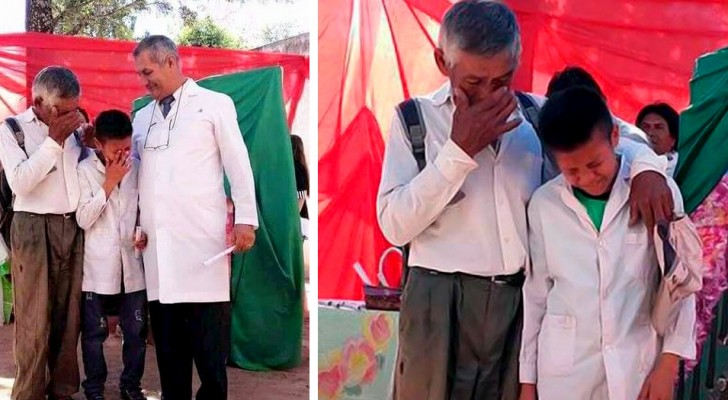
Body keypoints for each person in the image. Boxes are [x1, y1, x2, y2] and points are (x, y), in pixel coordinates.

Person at [376, 2, 673, 399]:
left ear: (515, 65)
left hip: (518, 303)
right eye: (472, 83)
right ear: (442, 62)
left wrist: (647, 169)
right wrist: (457, 153)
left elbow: (619, 134)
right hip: (437, 303)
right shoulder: (414, 121)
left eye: (501, 81)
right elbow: (394, 224)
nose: (487, 95)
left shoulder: (536, 116)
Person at [519, 87, 696, 400]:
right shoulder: (545, 205)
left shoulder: (658, 192)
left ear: (615, 136)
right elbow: (536, 297)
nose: (587, 177)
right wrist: (528, 382)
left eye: (595, 164)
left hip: (637, 369)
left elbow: (681, 282)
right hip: (565, 377)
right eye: (571, 170)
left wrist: (668, 363)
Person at [131, 35, 258, 399]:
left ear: (170, 62)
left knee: (210, 362)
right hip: (160, 255)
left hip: (204, 253)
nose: (144, 81)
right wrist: (138, 227)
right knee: (170, 361)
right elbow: (136, 181)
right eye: (141, 74)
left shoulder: (215, 104)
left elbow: (239, 164)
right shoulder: (142, 118)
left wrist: (246, 218)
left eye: (148, 72)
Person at [0, 66, 88, 400]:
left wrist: (88, 145)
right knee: (34, 320)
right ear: (38, 101)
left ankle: (62, 391)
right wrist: (53, 142)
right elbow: (20, 182)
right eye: (63, 111)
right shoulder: (12, 130)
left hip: (71, 227)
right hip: (33, 228)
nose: (72, 117)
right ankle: (29, 394)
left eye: (75, 109)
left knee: (69, 319)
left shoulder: (75, 130)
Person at [76, 110, 148, 400]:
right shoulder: (84, 170)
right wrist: (109, 181)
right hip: (97, 268)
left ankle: (131, 387)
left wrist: (142, 231)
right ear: (99, 144)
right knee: (94, 335)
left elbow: (143, 208)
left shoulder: (138, 168)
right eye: (116, 150)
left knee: (136, 333)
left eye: (128, 148)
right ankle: (94, 389)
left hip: (132, 264)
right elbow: (83, 218)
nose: (123, 155)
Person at [637, 103, 680, 176]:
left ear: (673, 139)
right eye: (646, 127)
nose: (650, 133)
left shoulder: (682, 169)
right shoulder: (625, 163)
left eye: (658, 127)